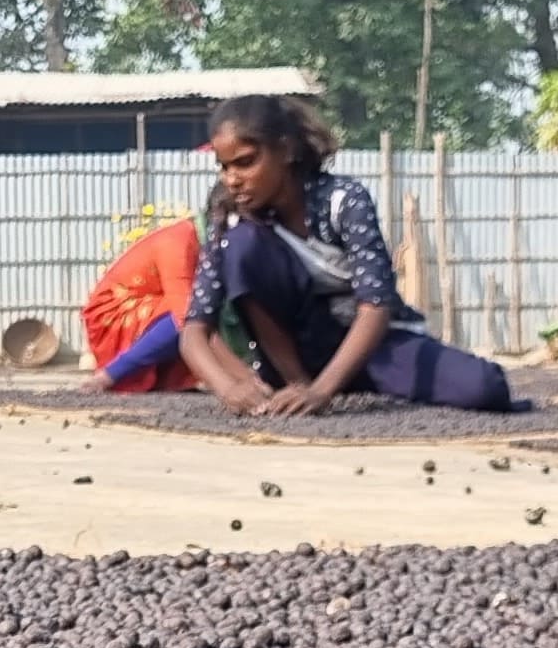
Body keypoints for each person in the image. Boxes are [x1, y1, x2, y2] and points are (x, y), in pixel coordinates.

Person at [176, 94, 511, 416]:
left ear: (287, 149)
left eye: (246, 162)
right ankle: (296, 383)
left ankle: (335, 383)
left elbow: (376, 305)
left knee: (485, 388)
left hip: (365, 346)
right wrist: (229, 388)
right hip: (294, 357)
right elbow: (194, 330)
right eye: (224, 166)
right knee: (241, 244)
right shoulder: (230, 216)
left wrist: (323, 391)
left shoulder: (343, 201)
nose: (232, 179)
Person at [83, 217, 205, 393]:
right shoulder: (178, 242)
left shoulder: (197, 238)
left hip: (149, 308)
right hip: (113, 317)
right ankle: (111, 374)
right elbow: (185, 315)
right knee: (195, 310)